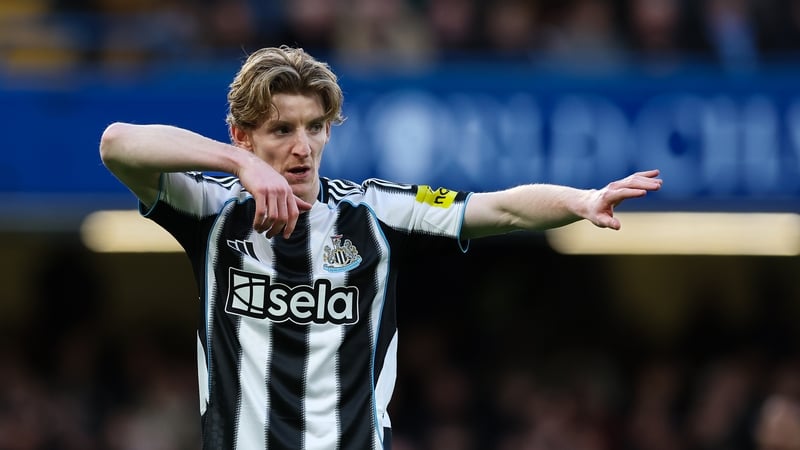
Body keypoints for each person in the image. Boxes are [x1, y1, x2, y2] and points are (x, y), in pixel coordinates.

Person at [99, 44, 663, 449]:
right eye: (281, 131)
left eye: (315, 127)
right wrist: (239, 166)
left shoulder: (375, 212)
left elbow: (501, 207)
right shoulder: (212, 209)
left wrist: (582, 200)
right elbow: (117, 143)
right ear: (242, 135)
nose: (303, 148)